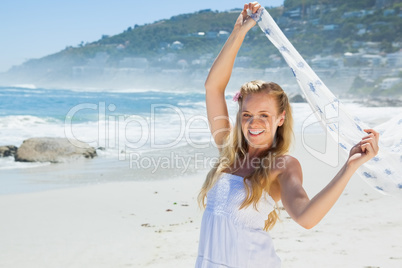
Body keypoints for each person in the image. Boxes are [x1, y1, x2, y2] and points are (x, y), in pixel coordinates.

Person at [195, 2, 379, 267]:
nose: (253, 123)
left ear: (280, 118)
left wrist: (349, 167)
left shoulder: (282, 166)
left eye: (264, 115)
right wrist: (240, 30)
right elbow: (213, 87)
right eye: (247, 115)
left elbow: (305, 217)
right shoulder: (228, 151)